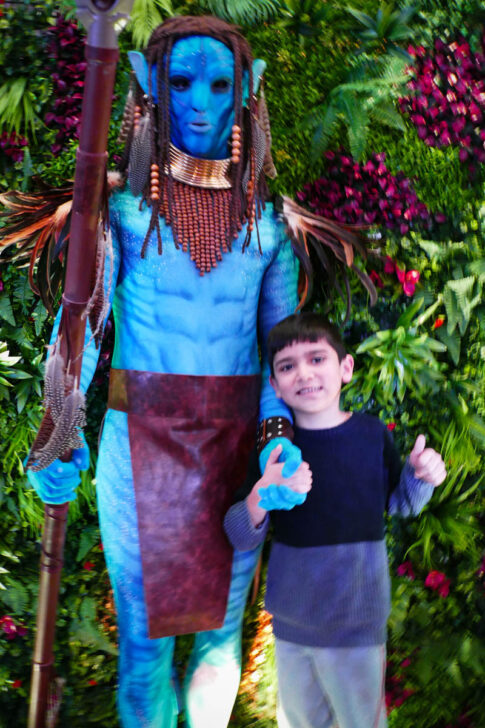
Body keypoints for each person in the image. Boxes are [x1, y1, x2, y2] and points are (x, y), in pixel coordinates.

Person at [24, 16, 302, 728]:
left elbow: (281, 351)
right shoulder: (118, 212)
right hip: (138, 445)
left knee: (219, 642)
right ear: (150, 85)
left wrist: (276, 439)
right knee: (144, 651)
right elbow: (80, 327)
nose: (200, 102)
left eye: (219, 84)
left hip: (236, 455)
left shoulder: (271, 224)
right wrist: (58, 429)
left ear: (247, 89)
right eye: (181, 82)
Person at [224, 312, 447, 728]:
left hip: (357, 625)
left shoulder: (370, 435)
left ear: (345, 368)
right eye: (287, 366)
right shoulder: (275, 452)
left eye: (316, 359)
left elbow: (400, 504)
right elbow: (240, 534)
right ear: (275, 385)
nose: (304, 373)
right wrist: (262, 493)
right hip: (293, 626)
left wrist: (420, 477)